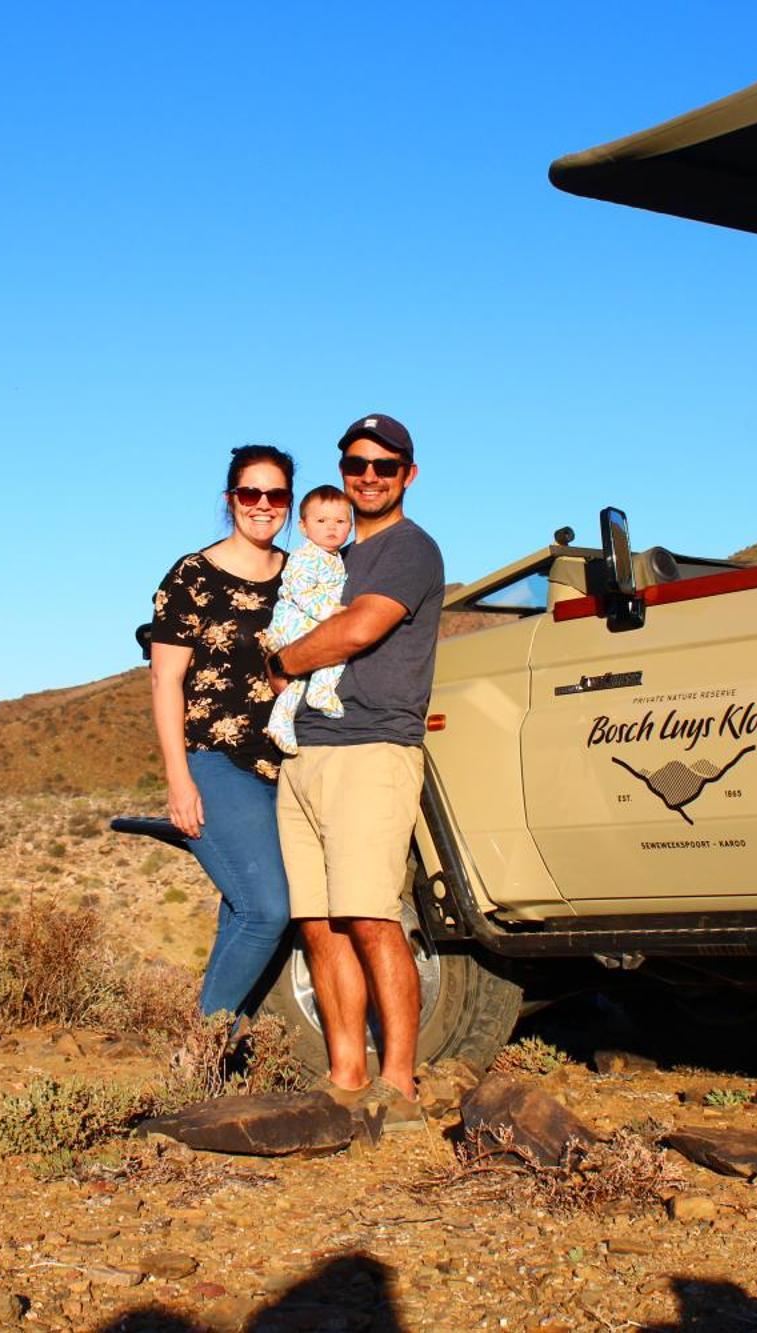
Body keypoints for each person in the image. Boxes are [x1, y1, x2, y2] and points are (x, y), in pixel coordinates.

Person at [266, 414, 442, 1127]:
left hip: (371, 750)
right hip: (305, 749)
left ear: (409, 474)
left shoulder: (409, 549)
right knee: (318, 924)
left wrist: (277, 661)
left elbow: (359, 627)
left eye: (385, 465)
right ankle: (345, 1075)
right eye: (356, 464)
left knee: (371, 918)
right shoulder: (326, 551)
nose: (369, 475)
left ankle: (397, 1082)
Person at [147, 445, 297, 1018]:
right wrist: (179, 780)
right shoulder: (193, 575)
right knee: (267, 911)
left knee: (241, 910)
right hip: (215, 761)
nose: (263, 505)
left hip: (288, 765)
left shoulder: (302, 576)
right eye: (250, 493)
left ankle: (224, 1055)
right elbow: (166, 680)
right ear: (230, 499)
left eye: (276, 495)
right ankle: (200, 1050)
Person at [259, 485, 352, 754]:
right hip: (294, 621)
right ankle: (322, 690)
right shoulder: (305, 556)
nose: (331, 527)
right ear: (303, 526)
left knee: (299, 679)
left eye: (340, 521)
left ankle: (281, 722)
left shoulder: (335, 558)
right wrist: (329, 611)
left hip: (306, 621)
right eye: (321, 521)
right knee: (335, 646)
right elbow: (300, 591)